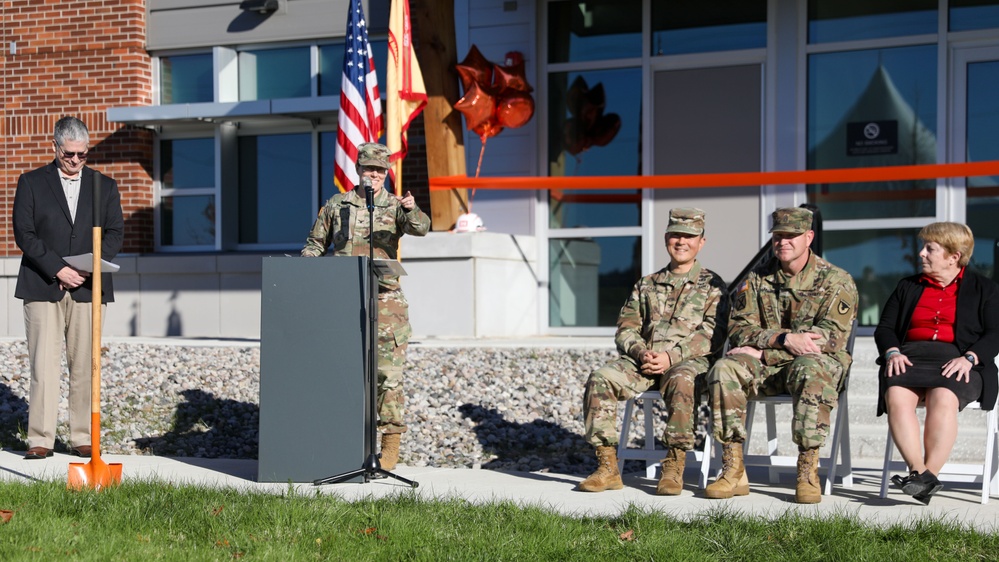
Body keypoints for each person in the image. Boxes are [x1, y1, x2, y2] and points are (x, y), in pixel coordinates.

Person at [704, 207, 857, 504]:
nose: (782, 242)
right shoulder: (757, 279)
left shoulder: (836, 280)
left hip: (813, 368)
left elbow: (828, 340)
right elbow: (738, 330)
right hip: (769, 369)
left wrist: (763, 351)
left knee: (809, 367)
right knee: (725, 369)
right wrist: (783, 339)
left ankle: (808, 470)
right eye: (778, 236)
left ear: (809, 237)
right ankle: (733, 467)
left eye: (791, 236)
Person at [578, 208, 727, 495]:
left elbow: (713, 334)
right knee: (601, 378)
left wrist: (671, 357)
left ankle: (674, 466)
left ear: (701, 242)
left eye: (689, 236)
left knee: (683, 380)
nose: (681, 242)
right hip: (644, 362)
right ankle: (607, 468)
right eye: (675, 235)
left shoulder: (713, 286)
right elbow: (626, 328)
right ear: (665, 238)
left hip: (687, 364)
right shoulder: (645, 284)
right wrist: (641, 352)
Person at [302, 142, 430, 470]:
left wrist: (412, 208)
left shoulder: (394, 205)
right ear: (357, 170)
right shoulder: (337, 205)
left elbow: (421, 228)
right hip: (343, 300)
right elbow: (316, 243)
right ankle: (343, 441)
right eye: (367, 169)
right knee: (342, 372)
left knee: (387, 375)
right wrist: (304, 268)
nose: (372, 175)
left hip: (385, 301)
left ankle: (389, 446)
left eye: (379, 170)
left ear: (386, 173)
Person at [13, 116, 125, 460]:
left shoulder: (104, 186)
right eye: (69, 155)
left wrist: (82, 268)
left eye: (82, 155)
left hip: (88, 289)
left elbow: (115, 234)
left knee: (86, 365)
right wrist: (58, 268)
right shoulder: (30, 182)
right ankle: (40, 439)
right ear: (55, 147)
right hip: (42, 284)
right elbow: (24, 234)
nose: (76, 161)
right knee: (43, 365)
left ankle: (82, 437)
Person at [875, 222, 999, 505]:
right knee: (895, 393)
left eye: (930, 248)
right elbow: (885, 328)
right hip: (909, 358)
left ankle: (924, 477)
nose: (921, 254)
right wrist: (893, 352)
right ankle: (921, 476)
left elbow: (995, 333)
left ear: (954, 256)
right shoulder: (907, 286)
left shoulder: (985, 289)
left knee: (942, 396)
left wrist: (970, 357)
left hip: (960, 361)